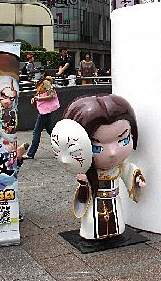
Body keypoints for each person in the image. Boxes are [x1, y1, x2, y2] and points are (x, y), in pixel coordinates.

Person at [59, 94, 145, 240]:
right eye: (96, 147)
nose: (112, 152)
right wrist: (84, 183)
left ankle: (115, 232)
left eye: (123, 140)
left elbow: (129, 171)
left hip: (114, 199)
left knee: (116, 221)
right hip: (95, 200)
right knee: (92, 223)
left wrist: (137, 179)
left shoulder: (120, 167)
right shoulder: (88, 170)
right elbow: (83, 194)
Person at [23, 76, 60, 159]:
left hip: (44, 111)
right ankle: (61, 148)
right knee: (50, 130)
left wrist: (39, 98)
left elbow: (52, 95)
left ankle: (30, 154)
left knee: (37, 131)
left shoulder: (46, 82)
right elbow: (41, 94)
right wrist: (35, 98)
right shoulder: (41, 83)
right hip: (45, 110)